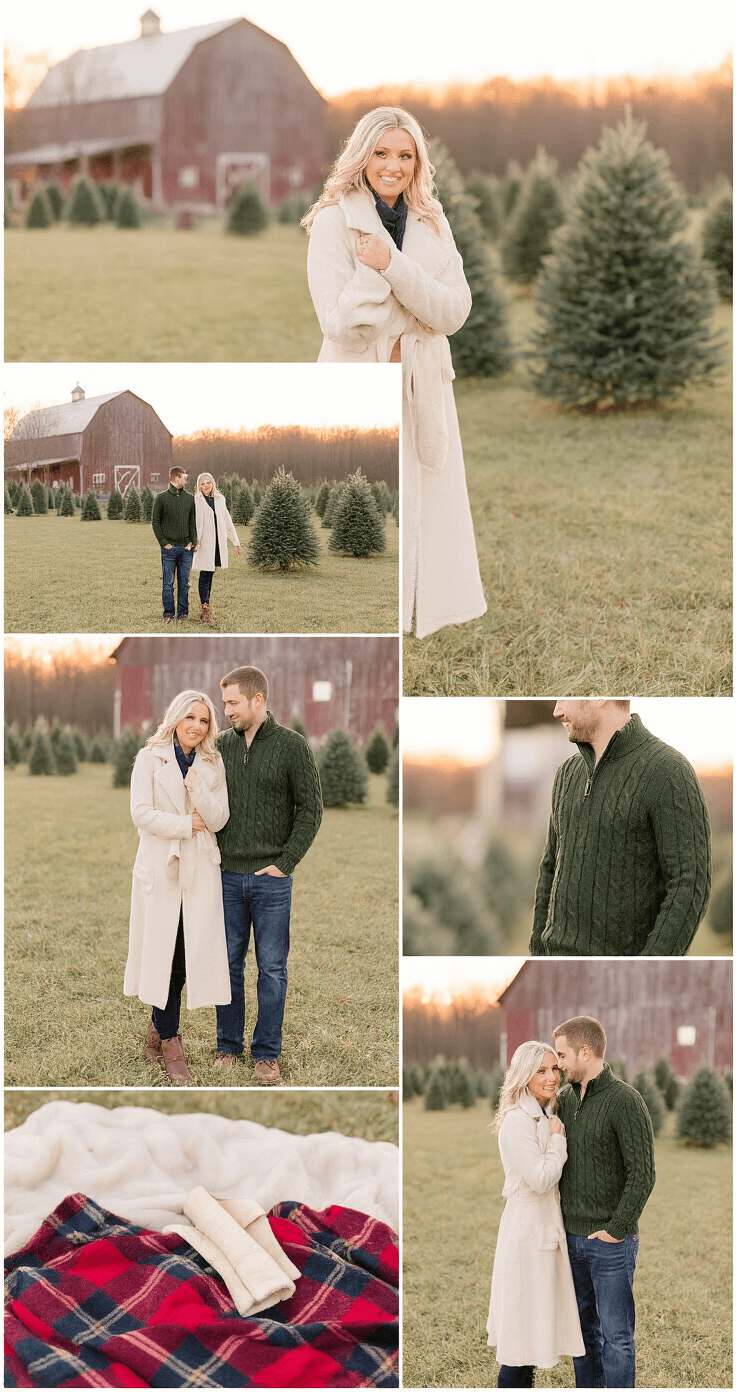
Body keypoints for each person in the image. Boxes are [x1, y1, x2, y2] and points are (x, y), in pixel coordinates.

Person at [303, 106, 486, 640]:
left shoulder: (432, 220)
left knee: (430, 501)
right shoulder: (334, 222)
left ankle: (423, 615)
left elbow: (453, 311)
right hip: (362, 381)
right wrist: (386, 282)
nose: (393, 166)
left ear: (417, 161)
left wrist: (391, 266)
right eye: (382, 153)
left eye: (405, 155)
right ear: (363, 156)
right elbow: (343, 326)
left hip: (424, 384)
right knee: (364, 501)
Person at [530, 699, 712, 955]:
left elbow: (690, 883)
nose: (557, 710)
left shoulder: (668, 770)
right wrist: (537, 952)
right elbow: (550, 867)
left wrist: (645, 969)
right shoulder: (566, 774)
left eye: (565, 698)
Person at [214, 665, 323, 1085]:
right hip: (225, 876)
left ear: (258, 700)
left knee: (272, 968)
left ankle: (266, 1055)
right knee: (228, 965)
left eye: (233, 703)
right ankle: (228, 1046)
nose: (226, 711)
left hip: (271, 880)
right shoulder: (220, 746)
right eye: (224, 703)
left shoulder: (292, 746)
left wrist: (286, 862)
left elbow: (311, 810)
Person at [123, 690, 231, 1086]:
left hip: (200, 868)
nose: (196, 727)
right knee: (162, 954)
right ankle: (170, 1043)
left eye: (204, 721)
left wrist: (198, 788)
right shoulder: (149, 758)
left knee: (186, 956)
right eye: (190, 718)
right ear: (176, 718)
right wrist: (185, 824)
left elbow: (218, 819)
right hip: (161, 867)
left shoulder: (212, 762)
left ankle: (156, 1027)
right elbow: (140, 814)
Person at [553, 1017, 656, 1388]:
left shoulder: (625, 1101)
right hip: (571, 1240)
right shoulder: (563, 1101)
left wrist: (616, 1230)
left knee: (617, 1338)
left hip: (610, 1244)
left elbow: (643, 1174)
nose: (558, 1063)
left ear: (585, 1052)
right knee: (582, 1334)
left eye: (563, 1055)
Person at [487, 1041, 585, 1386]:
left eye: (554, 1069)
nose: (551, 1077)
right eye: (541, 1071)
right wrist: (559, 1142)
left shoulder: (543, 1114)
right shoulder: (518, 1120)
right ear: (524, 1075)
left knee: (530, 1334)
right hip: (527, 1230)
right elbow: (541, 1179)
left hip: (544, 1225)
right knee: (520, 1337)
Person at [191, 472, 242, 626]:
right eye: (202, 483)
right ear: (199, 486)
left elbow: (227, 521)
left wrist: (236, 542)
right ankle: (205, 609)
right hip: (203, 543)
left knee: (210, 573)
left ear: (212, 483)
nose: (206, 486)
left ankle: (205, 606)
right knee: (205, 573)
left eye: (208, 482)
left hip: (217, 544)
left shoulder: (220, 500)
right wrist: (193, 541)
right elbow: (192, 522)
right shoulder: (196, 501)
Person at [151, 466, 197, 624]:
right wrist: (164, 543)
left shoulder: (190, 499)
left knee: (184, 583)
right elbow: (156, 522)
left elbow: (192, 523)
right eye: (184, 477)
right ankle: (168, 614)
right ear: (176, 477)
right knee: (168, 584)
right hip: (169, 550)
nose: (186, 479)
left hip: (186, 550)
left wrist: (192, 541)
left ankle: (183, 614)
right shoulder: (161, 498)